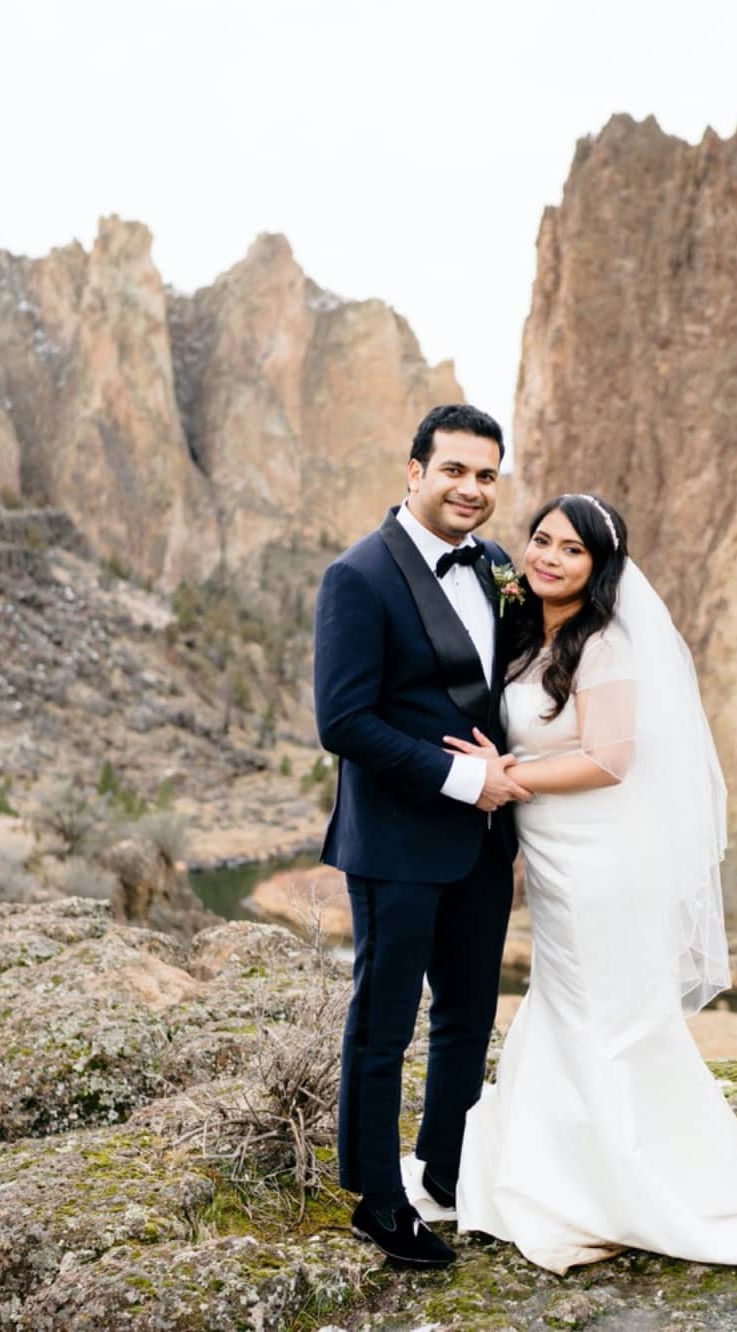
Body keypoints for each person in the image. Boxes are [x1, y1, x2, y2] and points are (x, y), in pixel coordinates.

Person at [439, 493, 737, 1274]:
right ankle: (566, 1163)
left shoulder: (603, 645)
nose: (548, 557)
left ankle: (623, 1182)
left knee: (605, 1011)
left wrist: (510, 775)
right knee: (568, 999)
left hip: (601, 860)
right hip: (551, 855)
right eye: (541, 541)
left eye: (571, 550)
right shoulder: (526, 631)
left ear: (599, 567)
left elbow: (611, 759)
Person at [312, 404, 529, 1267]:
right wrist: (462, 777)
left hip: (483, 842)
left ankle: (446, 1168)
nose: (471, 489)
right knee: (384, 1023)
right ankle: (375, 1198)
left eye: (486, 475)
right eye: (454, 471)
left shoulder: (502, 567)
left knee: (469, 1017)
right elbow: (344, 720)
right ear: (414, 472)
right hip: (398, 843)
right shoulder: (359, 576)